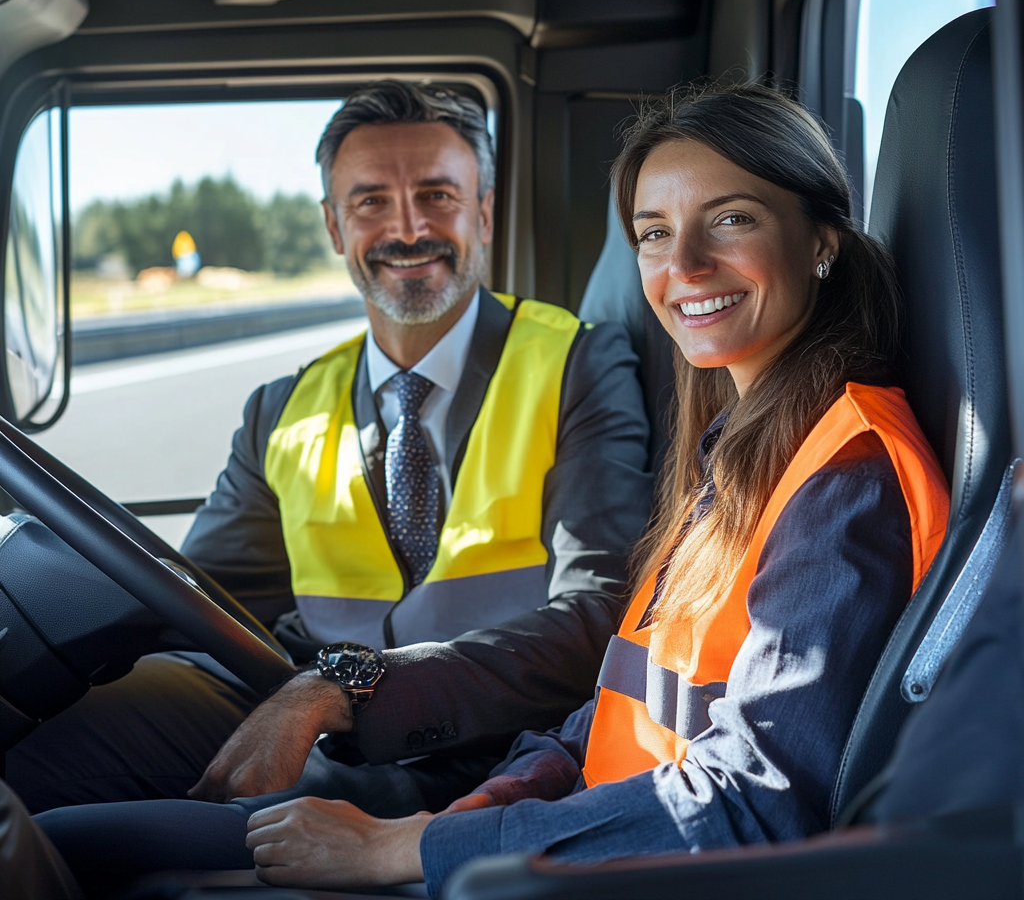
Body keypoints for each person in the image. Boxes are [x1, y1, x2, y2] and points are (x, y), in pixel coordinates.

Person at [35, 82, 951, 898]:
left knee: (73, 851)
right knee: (52, 803)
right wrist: (482, 808)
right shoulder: (739, 455)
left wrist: (424, 832)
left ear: (484, 208)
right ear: (331, 225)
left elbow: (744, 785)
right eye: (656, 235)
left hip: (530, 792)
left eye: (734, 219)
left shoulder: (816, 464)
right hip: (543, 792)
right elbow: (630, 690)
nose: (686, 267)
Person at [10, 80, 652, 820]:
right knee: (32, 767)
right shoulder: (280, 410)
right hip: (301, 710)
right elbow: (203, 604)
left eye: (438, 196)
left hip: (494, 747)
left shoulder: (578, 364)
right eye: (371, 201)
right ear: (333, 226)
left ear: (484, 211)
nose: (408, 229)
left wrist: (346, 690)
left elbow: (601, 613)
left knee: (85, 840)